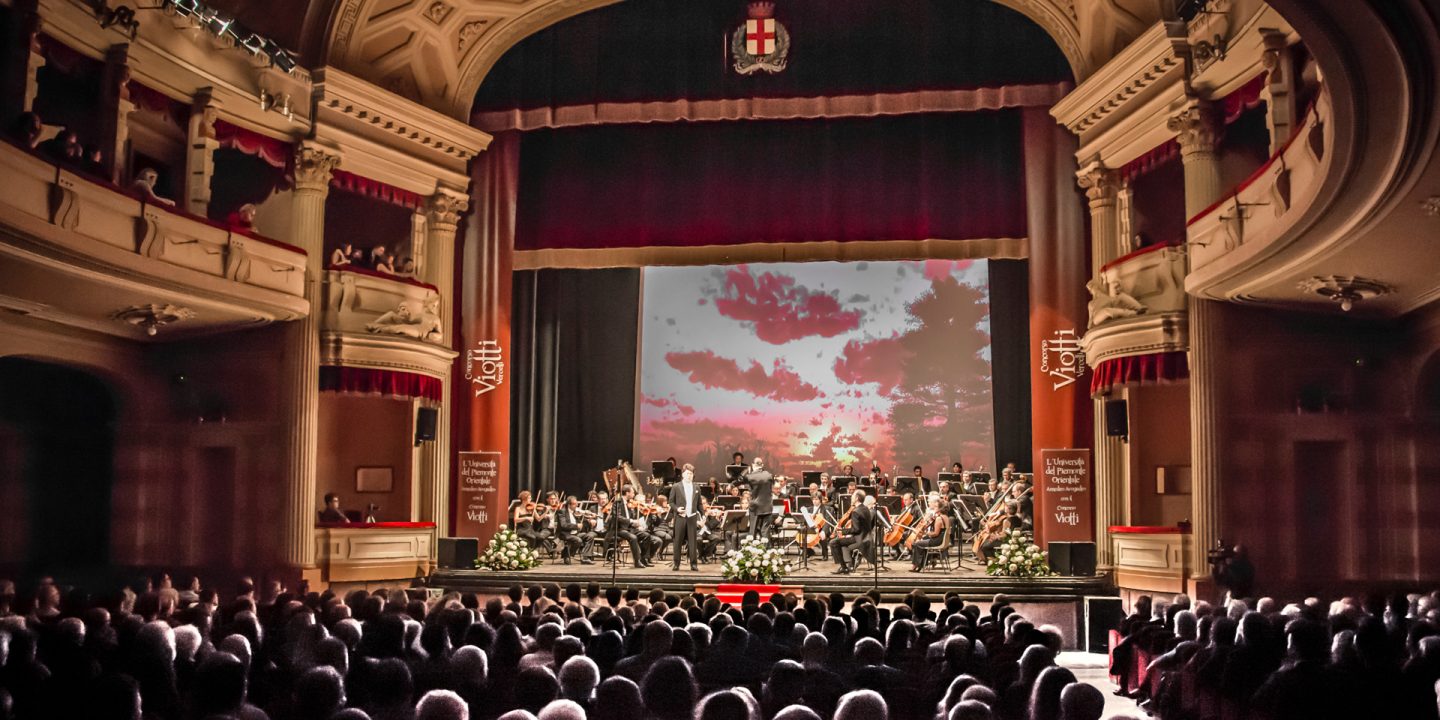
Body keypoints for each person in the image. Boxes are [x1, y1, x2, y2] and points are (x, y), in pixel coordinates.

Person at [669, 463, 703, 571]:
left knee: (693, 542)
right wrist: (677, 509)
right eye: (687, 473)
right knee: (677, 541)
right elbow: (671, 502)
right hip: (680, 517)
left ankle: (694, 564)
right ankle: (676, 563)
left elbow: (699, 504)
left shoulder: (696, 487)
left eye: (691, 474)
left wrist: (703, 514)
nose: (689, 476)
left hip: (692, 517)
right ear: (683, 474)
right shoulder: (676, 486)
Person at [830, 490, 874, 575]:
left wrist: (842, 531)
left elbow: (856, 530)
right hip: (867, 537)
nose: (851, 497)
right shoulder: (865, 509)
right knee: (840, 542)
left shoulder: (856, 511)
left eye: (853, 496)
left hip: (859, 539)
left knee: (833, 542)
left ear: (857, 498)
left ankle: (844, 567)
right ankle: (846, 566)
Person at [910, 496, 949, 572]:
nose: (934, 508)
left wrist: (926, 533)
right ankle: (923, 564)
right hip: (942, 540)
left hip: (937, 541)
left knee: (917, 544)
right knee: (922, 541)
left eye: (936, 507)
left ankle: (916, 565)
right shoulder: (946, 517)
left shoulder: (939, 518)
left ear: (940, 508)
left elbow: (935, 533)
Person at [744, 457, 776, 541]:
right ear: (762, 465)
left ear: (753, 465)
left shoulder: (750, 476)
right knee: (765, 531)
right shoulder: (769, 475)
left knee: (752, 531)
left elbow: (739, 480)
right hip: (767, 506)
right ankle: (765, 551)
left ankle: (751, 552)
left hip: (755, 506)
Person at [556, 496, 593, 565]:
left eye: (577, 503)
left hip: (575, 533)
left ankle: (585, 557)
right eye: (574, 504)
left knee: (590, 536)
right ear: (569, 505)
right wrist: (576, 526)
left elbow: (581, 520)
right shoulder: (562, 511)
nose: (577, 505)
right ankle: (567, 556)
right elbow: (563, 525)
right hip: (565, 533)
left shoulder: (575, 512)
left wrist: (589, 519)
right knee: (578, 540)